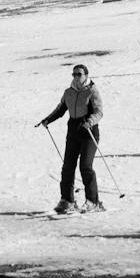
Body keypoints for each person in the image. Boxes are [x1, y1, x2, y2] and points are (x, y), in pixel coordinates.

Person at [35, 63, 105, 213]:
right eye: (74, 74)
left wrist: (90, 121)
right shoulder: (69, 92)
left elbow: (99, 112)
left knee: (85, 166)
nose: (76, 77)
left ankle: (93, 201)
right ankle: (67, 200)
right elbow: (60, 109)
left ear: (86, 75)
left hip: (89, 132)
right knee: (68, 167)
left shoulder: (92, 90)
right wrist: (47, 120)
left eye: (79, 74)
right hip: (73, 131)